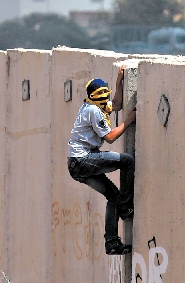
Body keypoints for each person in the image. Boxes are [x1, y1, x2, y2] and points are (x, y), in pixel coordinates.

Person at [67, 66, 136, 255]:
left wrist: (119, 81)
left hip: (77, 164)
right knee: (127, 161)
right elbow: (111, 137)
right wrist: (129, 120)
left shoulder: (94, 106)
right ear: (96, 95)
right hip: (83, 160)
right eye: (103, 94)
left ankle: (112, 243)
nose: (106, 98)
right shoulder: (94, 111)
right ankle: (126, 208)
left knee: (112, 196)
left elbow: (117, 104)